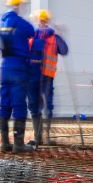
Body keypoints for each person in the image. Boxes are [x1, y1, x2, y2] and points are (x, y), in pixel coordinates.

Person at [0, 0, 36, 153]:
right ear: (18, 5)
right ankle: (18, 144)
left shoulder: (1, 22)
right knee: (19, 103)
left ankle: (4, 143)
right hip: (18, 66)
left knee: (4, 103)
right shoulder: (21, 23)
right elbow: (32, 32)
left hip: (5, 66)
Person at [30, 9, 68, 145]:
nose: (42, 23)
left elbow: (64, 51)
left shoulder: (54, 37)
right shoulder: (32, 35)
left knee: (47, 107)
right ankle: (39, 137)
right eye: (41, 20)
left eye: (44, 21)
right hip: (34, 77)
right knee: (35, 106)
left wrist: (60, 36)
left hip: (46, 77)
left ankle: (44, 136)